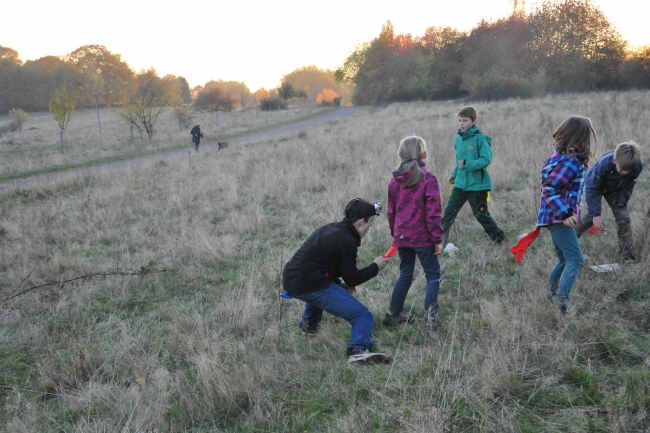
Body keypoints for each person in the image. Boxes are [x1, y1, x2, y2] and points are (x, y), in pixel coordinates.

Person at [282, 198, 393, 365]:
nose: (371, 226)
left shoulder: (331, 229)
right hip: (309, 283)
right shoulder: (348, 241)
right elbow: (352, 278)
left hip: (292, 279)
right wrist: (375, 267)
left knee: (320, 291)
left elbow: (320, 264)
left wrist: (338, 283)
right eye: (371, 222)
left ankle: (309, 328)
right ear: (361, 222)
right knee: (362, 315)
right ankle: (359, 351)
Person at [538, 116, 596, 314]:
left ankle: (549, 294)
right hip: (559, 217)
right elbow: (549, 187)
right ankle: (561, 302)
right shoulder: (571, 162)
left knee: (565, 258)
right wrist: (566, 212)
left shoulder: (560, 157)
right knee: (576, 259)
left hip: (554, 216)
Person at [384, 136, 443, 328]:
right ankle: (430, 319)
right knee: (433, 276)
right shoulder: (429, 179)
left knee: (405, 274)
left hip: (402, 238)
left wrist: (396, 234)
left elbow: (391, 212)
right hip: (423, 238)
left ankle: (393, 314)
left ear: (401, 155)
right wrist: (437, 239)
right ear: (424, 154)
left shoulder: (394, 182)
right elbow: (433, 213)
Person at [442, 106, 506, 245]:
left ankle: (499, 239)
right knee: (448, 213)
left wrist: (467, 164)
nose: (461, 123)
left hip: (478, 186)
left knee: (481, 215)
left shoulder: (480, 139)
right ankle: (439, 243)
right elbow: (458, 161)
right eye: (459, 120)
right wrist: (454, 174)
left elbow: (486, 159)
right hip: (460, 185)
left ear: (474, 121)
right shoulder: (458, 140)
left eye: (465, 120)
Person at [575, 142, 643, 262]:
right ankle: (569, 242)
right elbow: (592, 187)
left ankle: (626, 255)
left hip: (616, 190)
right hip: (597, 186)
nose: (625, 173)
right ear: (615, 160)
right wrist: (596, 214)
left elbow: (629, 183)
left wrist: (623, 198)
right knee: (592, 217)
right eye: (623, 170)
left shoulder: (636, 167)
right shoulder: (605, 164)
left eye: (629, 170)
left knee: (624, 219)